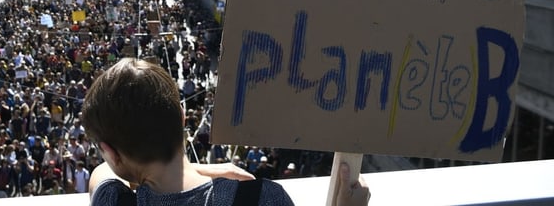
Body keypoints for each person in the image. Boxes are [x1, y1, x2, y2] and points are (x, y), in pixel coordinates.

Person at [82, 58, 370, 206]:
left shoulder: (114, 201)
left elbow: (100, 174)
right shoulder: (263, 198)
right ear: (182, 118)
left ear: (110, 153)